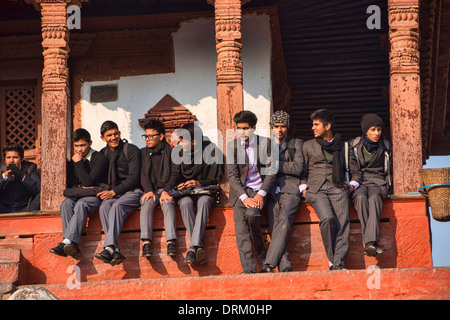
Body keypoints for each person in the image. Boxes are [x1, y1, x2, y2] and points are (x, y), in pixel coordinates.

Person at [299, 109, 358, 270]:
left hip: (338, 187)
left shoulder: (344, 147)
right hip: (316, 189)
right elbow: (301, 170)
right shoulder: (307, 145)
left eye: (316, 124)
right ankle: (333, 259)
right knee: (327, 219)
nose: (313, 128)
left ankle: (339, 263)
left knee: (342, 225)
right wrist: (304, 189)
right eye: (313, 125)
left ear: (327, 126)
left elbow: (356, 172)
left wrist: (352, 186)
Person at [227, 110, 276, 273]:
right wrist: (244, 198)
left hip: (259, 190)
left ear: (254, 128)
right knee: (241, 233)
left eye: (245, 128)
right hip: (240, 193)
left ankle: (262, 259)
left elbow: (271, 171)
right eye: (239, 128)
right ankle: (249, 271)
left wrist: (261, 193)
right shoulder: (232, 146)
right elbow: (232, 176)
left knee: (252, 215)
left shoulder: (266, 143)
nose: (242, 132)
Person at [50, 128, 108, 260]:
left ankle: (68, 242)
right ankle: (70, 243)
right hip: (80, 196)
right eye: (76, 146)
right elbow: (68, 190)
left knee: (81, 204)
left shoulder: (99, 159)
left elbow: (88, 181)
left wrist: (78, 163)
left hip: (96, 198)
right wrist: (83, 189)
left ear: (90, 143)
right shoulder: (73, 161)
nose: (79, 149)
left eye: (82, 145)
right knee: (66, 203)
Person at [260, 111, 304, 273]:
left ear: (288, 127)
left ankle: (269, 263)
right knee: (275, 226)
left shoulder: (296, 143)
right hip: (271, 190)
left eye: (283, 126)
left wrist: (274, 165)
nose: (279, 130)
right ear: (271, 127)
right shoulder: (265, 145)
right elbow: (262, 169)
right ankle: (285, 265)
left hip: (290, 189)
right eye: (276, 126)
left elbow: (298, 168)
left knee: (284, 219)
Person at [94, 121, 142, 266]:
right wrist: (106, 191)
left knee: (117, 206)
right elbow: (99, 178)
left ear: (120, 133)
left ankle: (108, 247)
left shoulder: (131, 150)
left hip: (134, 191)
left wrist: (113, 192)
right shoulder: (102, 154)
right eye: (109, 135)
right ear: (103, 138)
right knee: (104, 207)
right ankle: (115, 251)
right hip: (114, 193)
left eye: (116, 134)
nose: (113, 137)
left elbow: (135, 177)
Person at [175, 123, 223, 266]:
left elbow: (216, 177)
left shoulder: (212, 151)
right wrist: (180, 184)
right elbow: (174, 176)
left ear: (194, 142)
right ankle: (198, 247)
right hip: (187, 193)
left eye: (183, 140)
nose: (180, 143)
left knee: (203, 202)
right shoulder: (179, 153)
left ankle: (193, 247)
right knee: (185, 203)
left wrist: (199, 182)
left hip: (206, 190)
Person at [349, 114, 390, 257]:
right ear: (366, 131)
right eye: (373, 129)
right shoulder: (354, 146)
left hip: (379, 182)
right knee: (360, 198)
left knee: (374, 198)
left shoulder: (385, 146)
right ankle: (371, 243)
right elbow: (354, 170)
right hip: (360, 182)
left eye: (379, 129)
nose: (377, 133)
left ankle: (370, 242)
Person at [139, 119, 180, 258]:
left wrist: (166, 191)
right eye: (146, 136)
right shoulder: (143, 153)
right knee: (146, 203)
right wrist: (148, 190)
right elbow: (143, 173)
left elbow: (175, 173)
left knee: (167, 203)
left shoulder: (173, 151)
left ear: (161, 136)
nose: (147, 140)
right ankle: (146, 243)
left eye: (151, 136)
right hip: (151, 189)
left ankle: (171, 243)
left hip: (167, 189)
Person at [0, 143, 40, 213]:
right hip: (4, 209)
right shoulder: (1, 168)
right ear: (5, 159)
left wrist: (22, 175)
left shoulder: (30, 167)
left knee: (42, 195)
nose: (11, 160)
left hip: (26, 208)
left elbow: (37, 189)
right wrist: (4, 177)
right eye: (8, 157)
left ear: (21, 159)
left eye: (15, 157)